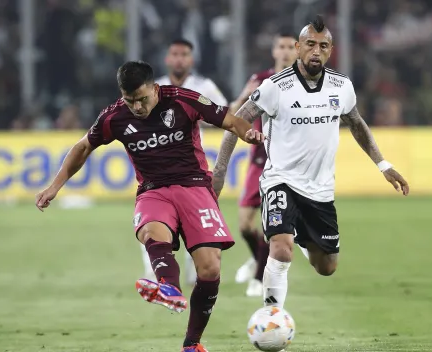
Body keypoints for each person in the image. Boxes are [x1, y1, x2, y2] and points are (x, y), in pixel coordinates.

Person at [35, 61, 264, 352]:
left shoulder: (183, 99)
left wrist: (249, 133)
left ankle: (192, 344)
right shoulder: (114, 116)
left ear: (155, 88)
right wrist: (54, 187)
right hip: (153, 190)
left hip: (194, 186)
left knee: (209, 269)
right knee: (151, 232)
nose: (138, 107)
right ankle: (169, 287)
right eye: (131, 101)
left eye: (142, 99)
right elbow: (82, 148)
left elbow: (230, 120)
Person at [212, 15, 409, 311]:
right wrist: (220, 171)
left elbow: (357, 125)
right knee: (280, 248)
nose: (316, 51)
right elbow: (236, 122)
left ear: (331, 51)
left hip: (319, 190)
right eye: (310, 44)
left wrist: (383, 164)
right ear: (298, 47)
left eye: (323, 46)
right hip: (280, 180)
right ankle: (271, 318)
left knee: (327, 266)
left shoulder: (341, 87)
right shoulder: (274, 87)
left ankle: (304, 238)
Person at [140, 38, 228, 286]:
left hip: (192, 165)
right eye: (175, 54)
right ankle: (154, 275)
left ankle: (193, 275)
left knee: (194, 222)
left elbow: (224, 114)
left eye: (184, 54)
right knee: (153, 219)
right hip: (159, 167)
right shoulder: (155, 87)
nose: (179, 59)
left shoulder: (204, 86)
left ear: (191, 59)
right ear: (168, 59)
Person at [228, 32, 298, 297]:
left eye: (291, 47)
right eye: (281, 46)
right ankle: (258, 258)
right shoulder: (260, 80)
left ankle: (259, 278)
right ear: (273, 51)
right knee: (245, 225)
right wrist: (245, 96)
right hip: (259, 160)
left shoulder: (303, 83)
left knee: (275, 226)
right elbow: (234, 114)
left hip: (288, 165)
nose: (285, 51)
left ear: (298, 50)